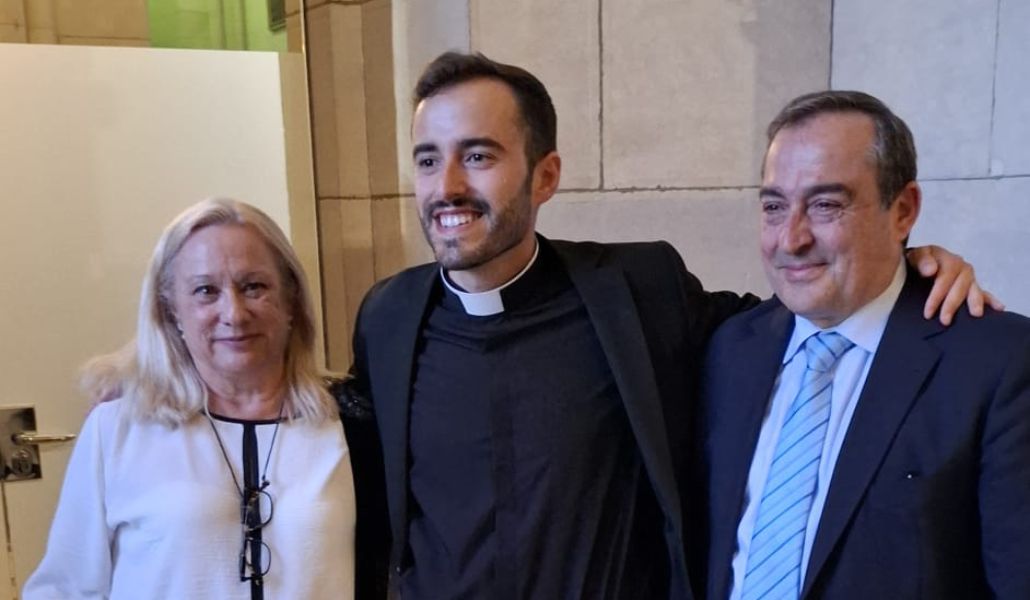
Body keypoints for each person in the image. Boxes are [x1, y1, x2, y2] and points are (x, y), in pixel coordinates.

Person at [347, 52, 991, 599]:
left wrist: (905, 266)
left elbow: (800, 312)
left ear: (545, 176)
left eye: (478, 155)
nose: (447, 186)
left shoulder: (637, 292)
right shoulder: (388, 319)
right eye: (428, 160)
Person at [695, 91, 1030, 599]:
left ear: (903, 210)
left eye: (827, 205)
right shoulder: (728, 350)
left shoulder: (997, 362)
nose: (790, 239)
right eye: (773, 206)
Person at [24, 198, 388, 599]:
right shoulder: (118, 429)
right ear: (171, 310)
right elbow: (66, 588)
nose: (233, 312)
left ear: (291, 301)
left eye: (254, 287)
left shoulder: (350, 426)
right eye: (205, 291)